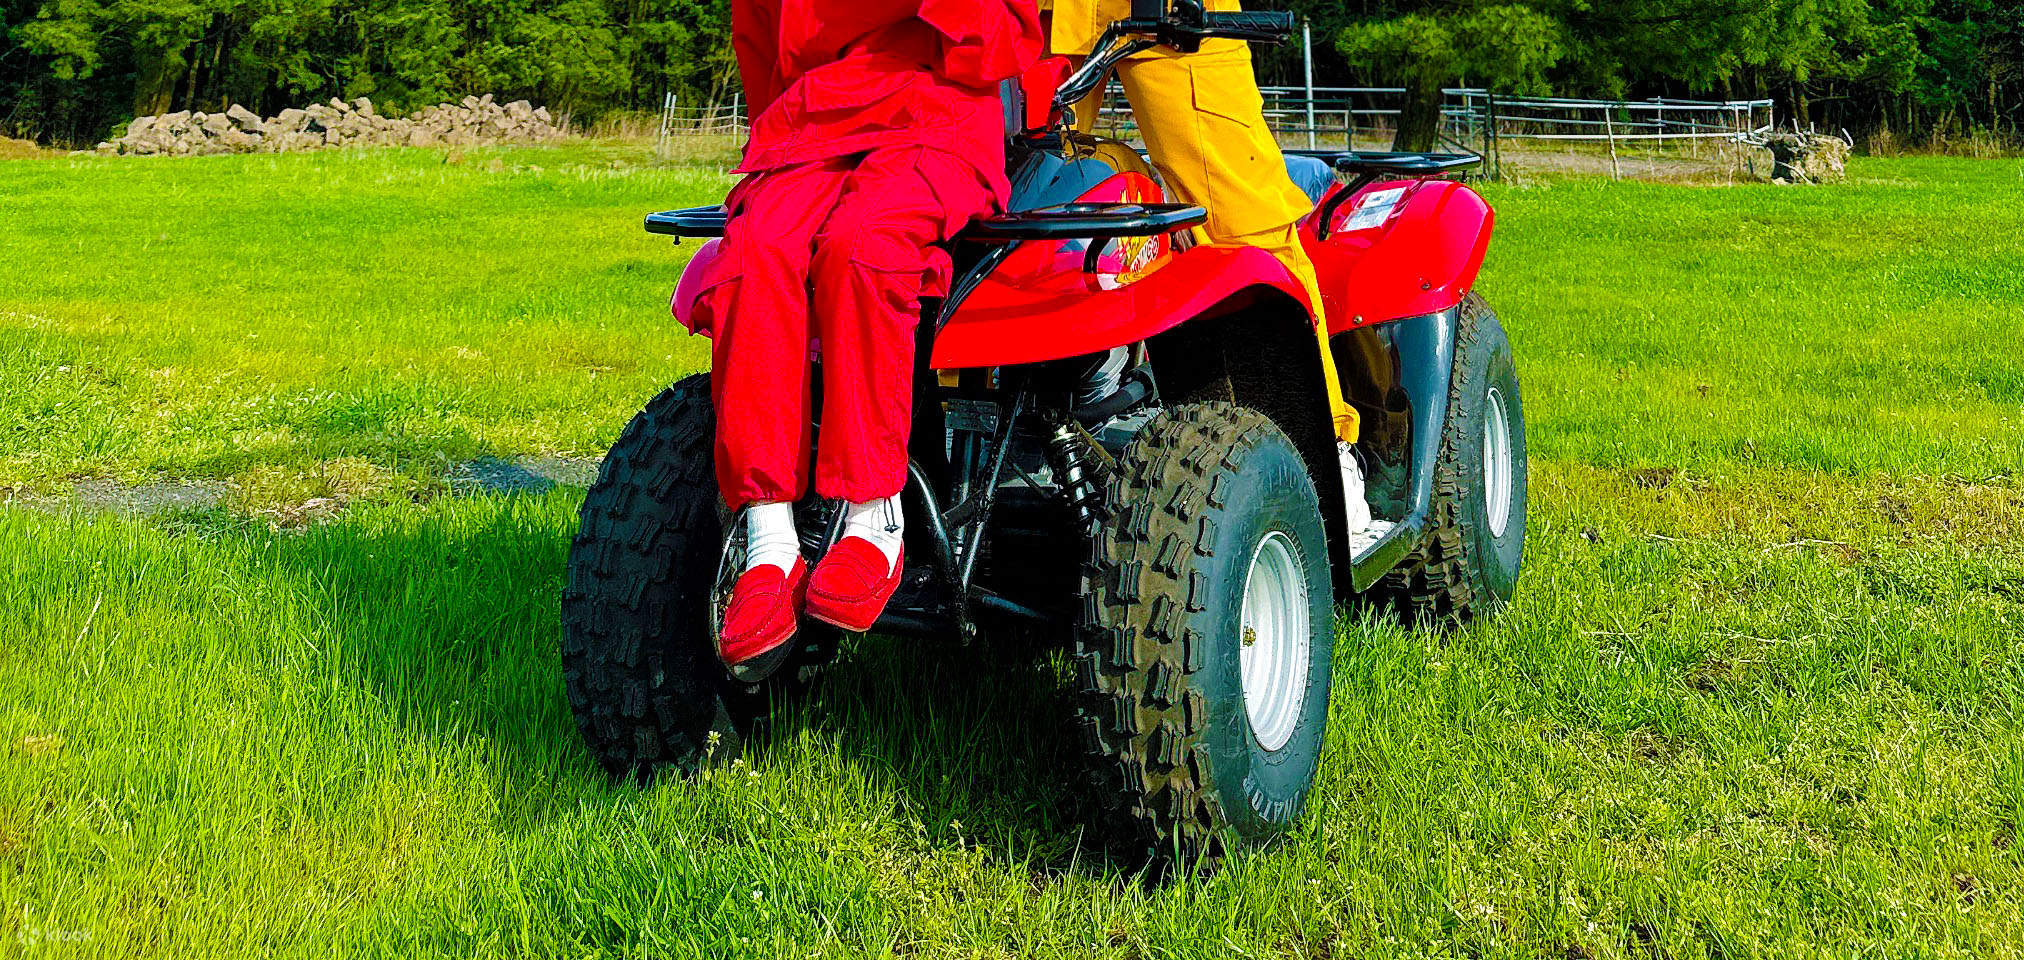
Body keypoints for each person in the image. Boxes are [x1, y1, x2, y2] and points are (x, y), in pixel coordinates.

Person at [698, 0, 1043, 667]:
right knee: (750, 257)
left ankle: (873, 515)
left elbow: (1005, 44)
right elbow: (759, 38)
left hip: (935, 111)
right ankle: (768, 547)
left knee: (863, 246)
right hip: (814, 120)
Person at [1048, 0, 1361, 444]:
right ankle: (968, 447)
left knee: (1247, 231)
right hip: (1029, 13)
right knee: (995, 221)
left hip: (1176, 13)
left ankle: (1321, 450)